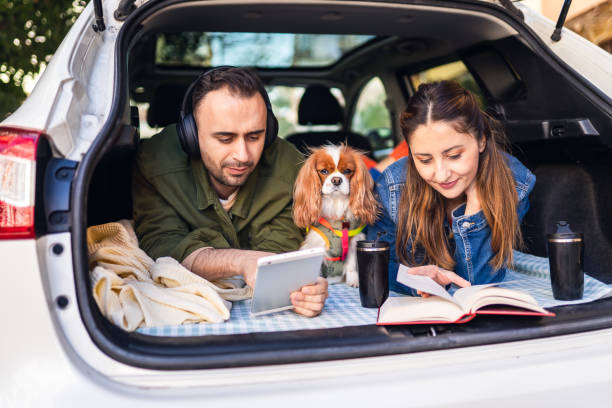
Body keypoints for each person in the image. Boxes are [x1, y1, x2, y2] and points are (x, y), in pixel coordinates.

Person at [132, 66, 328, 316]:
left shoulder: (293, 169)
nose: (243, 156)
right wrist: (241, 261)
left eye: (255, 136)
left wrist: (305, 289)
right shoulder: (154, 162)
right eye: (225, 139)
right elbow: (162, 244)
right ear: (191, 134)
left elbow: (280, 248)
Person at [367, 81, 535, 295]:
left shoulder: (513, 180)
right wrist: (422, 280)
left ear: (481, 140)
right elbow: (376, 265)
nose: (441, 174)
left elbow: (479, 281)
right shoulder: (392, 186)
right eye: (425, 160)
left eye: (454, 156)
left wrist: (475, 208)